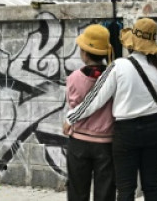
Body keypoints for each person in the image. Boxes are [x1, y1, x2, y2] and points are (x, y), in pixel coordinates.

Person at [66, 18, 157, 201]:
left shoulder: (119, 66)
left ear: (131, 43)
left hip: (126, 131)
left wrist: (70, 118)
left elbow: (94, 100)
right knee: (152, 185)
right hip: (155, 128)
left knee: (126, 188)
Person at [65, 24, 115, 201]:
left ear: (84, 53)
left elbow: (71, 106)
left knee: (77, 192)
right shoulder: (113, 76)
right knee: (105, 193)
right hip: (106, 143)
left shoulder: (73, 78)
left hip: (79, 141)